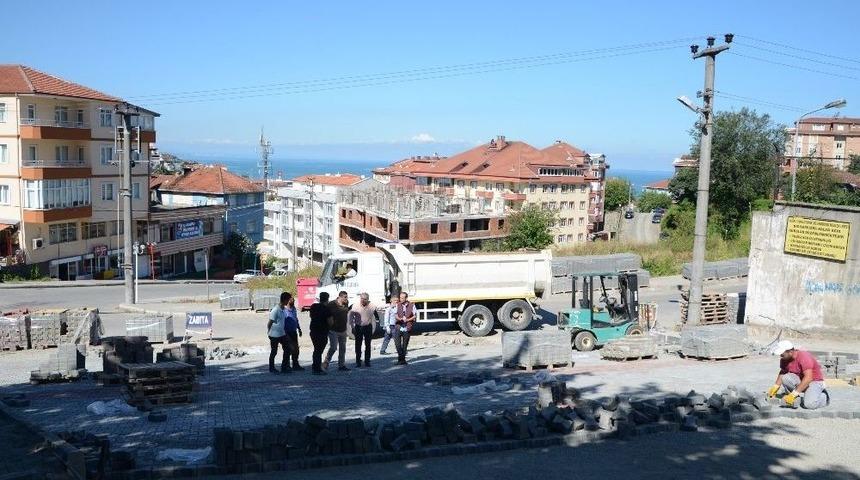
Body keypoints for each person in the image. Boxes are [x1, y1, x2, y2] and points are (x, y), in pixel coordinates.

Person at [767, 340, 829, 409]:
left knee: (809, 405)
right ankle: (796, 398)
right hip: (802, 380)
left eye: (782, 354)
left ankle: (823, 397)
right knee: (785, 378)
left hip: (814, 381)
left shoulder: (804, 357)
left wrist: (794, 394)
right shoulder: (784, 359)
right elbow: (783, 372)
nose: (781, 356)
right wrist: (775, 387)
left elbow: (808, 378)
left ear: (790, 352)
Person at [324, 291, 350, 371]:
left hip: (343, 330)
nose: (346, 299)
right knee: (333, 347)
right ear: (340, 297)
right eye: (345, 297)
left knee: (343, 348)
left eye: (347, 297)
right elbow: (326, 315)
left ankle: (341, 365)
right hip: (333, 330)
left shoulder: (346, 303)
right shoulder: (331, 304)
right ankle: (326, 363)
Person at [266, 292, 292, 374]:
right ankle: (271, 368)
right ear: (284, 300)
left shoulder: (283, 309)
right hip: (274, 335)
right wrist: (269, 333)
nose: (288, 302)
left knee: (288, 349)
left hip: (282, 334)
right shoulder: (276, 310)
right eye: (288, 300)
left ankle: (284, 367)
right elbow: (269, 323)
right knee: (274, 351)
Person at [350, 292, 377, 367]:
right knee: (358, 345)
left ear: (368, 299)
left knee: (368, 344)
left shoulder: (372, 306)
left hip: (368, 326)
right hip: (358, 327)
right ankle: (358, 361)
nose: (362, 300)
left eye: (365, 299)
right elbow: (351, 317)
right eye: (361, 298)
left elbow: (374, 317)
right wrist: (352, 327)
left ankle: (367, 361)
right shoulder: (355, 306)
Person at [309, 292, 331, 375]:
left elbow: (311, 316)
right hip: (322, 332)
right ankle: (317, 368)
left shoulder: (313, 306)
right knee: (319, 351)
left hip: (313, 331)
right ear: (327, 299)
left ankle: (315, 366)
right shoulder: (327, 309)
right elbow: (330, 321)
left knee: (316, 350)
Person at [393, 291, 416, 365]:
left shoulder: (412, 305)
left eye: (402, 298)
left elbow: (415, 316)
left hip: (407, 327)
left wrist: (408, 320)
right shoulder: (398, 305)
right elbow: (395, 314)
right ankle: (401, 357)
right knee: (397, 344)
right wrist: (399, 318)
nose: (401, 299)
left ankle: (402, 360)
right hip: (399, 326)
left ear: (406, 298)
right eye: (400, 298)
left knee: (405, 345)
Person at [283, 294, 303, 371]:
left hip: (294, 331)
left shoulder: (294, 309)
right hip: (286, 332)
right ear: (287, 300)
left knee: (296, 349)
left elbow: (296, 319)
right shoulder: (283, 310)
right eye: (292, 299)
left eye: (293, 299)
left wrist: (299, 328)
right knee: (289, 349)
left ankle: (295, 364)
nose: (293, 300)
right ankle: (286, 365)